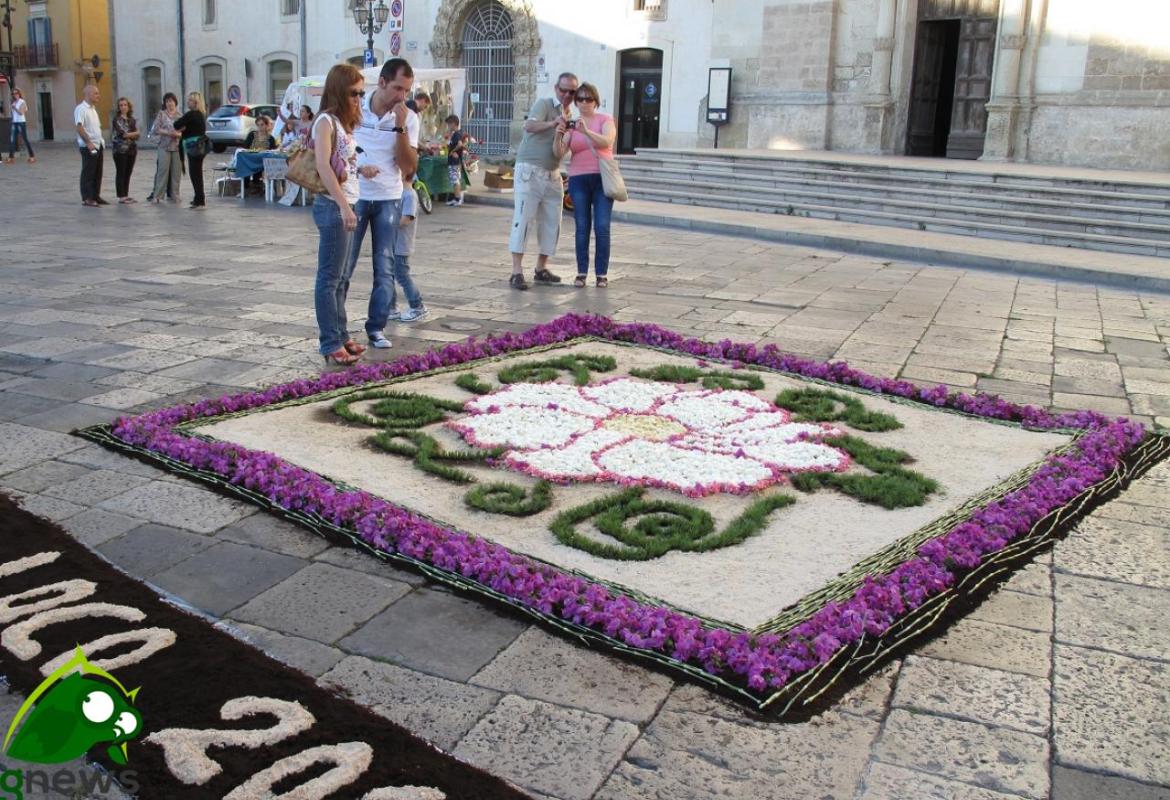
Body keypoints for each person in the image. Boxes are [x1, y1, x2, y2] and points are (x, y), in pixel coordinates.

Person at [348, 57, 423, 351]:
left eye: (406, 90)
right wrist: (359, 165)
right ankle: (336, 332)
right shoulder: (355, 108)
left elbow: (408, 167)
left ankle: (376, 327)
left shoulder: (409, 118)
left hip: (389, 198)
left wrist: (401, 128)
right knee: (345, 265)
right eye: (397, 88)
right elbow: (342, 149)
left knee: (385, 265)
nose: (402, 96)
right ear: (381, 83)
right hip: (355, 195)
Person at [311, 63, 364, 365]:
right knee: (329, 278)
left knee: (342, 277)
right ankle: (330, 341)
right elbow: (322, 166)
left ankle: (341, 333)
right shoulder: (325, 122)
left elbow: (345, 163)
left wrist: (363, 169)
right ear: (339, 91)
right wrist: (344, 206)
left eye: (361, 92)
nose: (358, 98)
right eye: (353, 93)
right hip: (333, 206)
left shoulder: (343, 124)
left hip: (348, 202)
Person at [507, 71, 578, 290]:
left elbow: (561, 150)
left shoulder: (570, 114)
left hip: (552, 172)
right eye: (563, 89)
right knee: (523, 218)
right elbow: (529, 126)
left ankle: (541, 268)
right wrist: (552, 124)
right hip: (530, 169)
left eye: (572, 91)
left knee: (552, 221)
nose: (567, 94)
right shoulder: (545, 104)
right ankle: (516, 271)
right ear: (557, 88)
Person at [554, 82, 616, 288]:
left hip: (602, 177)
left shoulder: (605, 119)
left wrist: (587, 131)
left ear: (596, 101)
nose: (584, 103)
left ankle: (601, 274)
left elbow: (607, 141)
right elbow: (559, 152)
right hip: (578, 178)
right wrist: (559, 132)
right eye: (580, 99)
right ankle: (581, 272)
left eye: (588, 99)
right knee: (582, 226)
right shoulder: (573, 124)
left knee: (601, 226)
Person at [390, 175, 427, 324]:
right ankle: (391, 307)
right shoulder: (399, 193)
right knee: (388, 276)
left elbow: (406, 219)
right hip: (393, 243)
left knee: (402, 276)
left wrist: (386, 224)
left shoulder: (409, 194)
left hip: (401, 245)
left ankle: (418, 306)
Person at [172, 92, 208, 209]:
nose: (188, 102)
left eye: (190, 101)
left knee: (195, 173)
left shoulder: (191, 114)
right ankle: (198, 198)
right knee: (198, 173)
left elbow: (176, 125)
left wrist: (184, 127)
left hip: (193, 146)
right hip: (201, 146)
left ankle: (200, 200)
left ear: (195, 102)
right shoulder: (202, 114)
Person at [74, 84, 108, 208]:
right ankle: (87, 197)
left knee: (97, 172)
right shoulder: (81, 109)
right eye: (96, 93)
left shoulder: (93, 109)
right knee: (88, 172)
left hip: (98, 145)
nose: (98, 96)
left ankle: (95, 195)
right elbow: (79, 127)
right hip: (89, 146)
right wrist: (88, 142)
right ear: (88, 94)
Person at [148, 92, 182, 203]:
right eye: (167, 101)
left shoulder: (180, 115)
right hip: (164, 145)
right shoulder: (161, 114)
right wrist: (168, 133)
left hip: (177, 146)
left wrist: (177, 134)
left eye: (171, 101)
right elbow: (156, 129)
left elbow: (184, 131)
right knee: (162, 170)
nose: (169, 103)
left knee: (176, 172)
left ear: (175, 102)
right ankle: (158, 195)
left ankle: (175, 194)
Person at [111, 97, 140, 204]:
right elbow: (123, 133)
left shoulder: (132, 119)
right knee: (121, 172)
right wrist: (134, 133)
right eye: (121, 105)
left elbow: (138, 135)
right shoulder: (117, 119)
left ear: (128, 106)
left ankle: (125, 194)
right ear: (118, 107)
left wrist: (133, 134)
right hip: (120, 150)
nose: (123, 107)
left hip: (131, 149)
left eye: (125, 105)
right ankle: (121, 196)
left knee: (128, 172)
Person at [6, 88, 35, 164]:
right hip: (14, 122)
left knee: (25, 139)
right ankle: (11, 157)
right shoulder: (13, 102)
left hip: (21, 123)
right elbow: (14, 114)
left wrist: (14, 108)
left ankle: (32, 156)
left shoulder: (22, 102)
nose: (15, 95)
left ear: (19, 94)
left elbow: (21, 113)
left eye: (16, 93)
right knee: (12, 140)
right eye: (13, 94)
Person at [443, 114, 465, 207]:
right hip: (455, 161)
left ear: (453, 124)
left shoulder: (456, 134)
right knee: (455, 180)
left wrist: (452, 151)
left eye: (449, 124)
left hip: (454, 162)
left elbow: (460, 145)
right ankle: (456, 198)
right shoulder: (457, 134)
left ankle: (457, 199)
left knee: (455, 180)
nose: (448, 126)